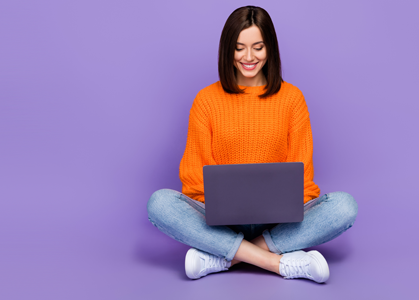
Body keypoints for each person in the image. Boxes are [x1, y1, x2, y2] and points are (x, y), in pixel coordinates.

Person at [146, 6, 357, 283]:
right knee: (159, 203)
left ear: (270, 48)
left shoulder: (292, 99)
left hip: (278, 222)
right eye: (239, 48)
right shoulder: (206, 100)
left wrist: (288, 207)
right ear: (227, 51)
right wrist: (221, 206)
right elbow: (194, 179)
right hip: (219, 220)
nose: (248, 57)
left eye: (258, 47)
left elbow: (303, 178)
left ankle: (223, 258)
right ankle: (277, 262)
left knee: (344, 207)